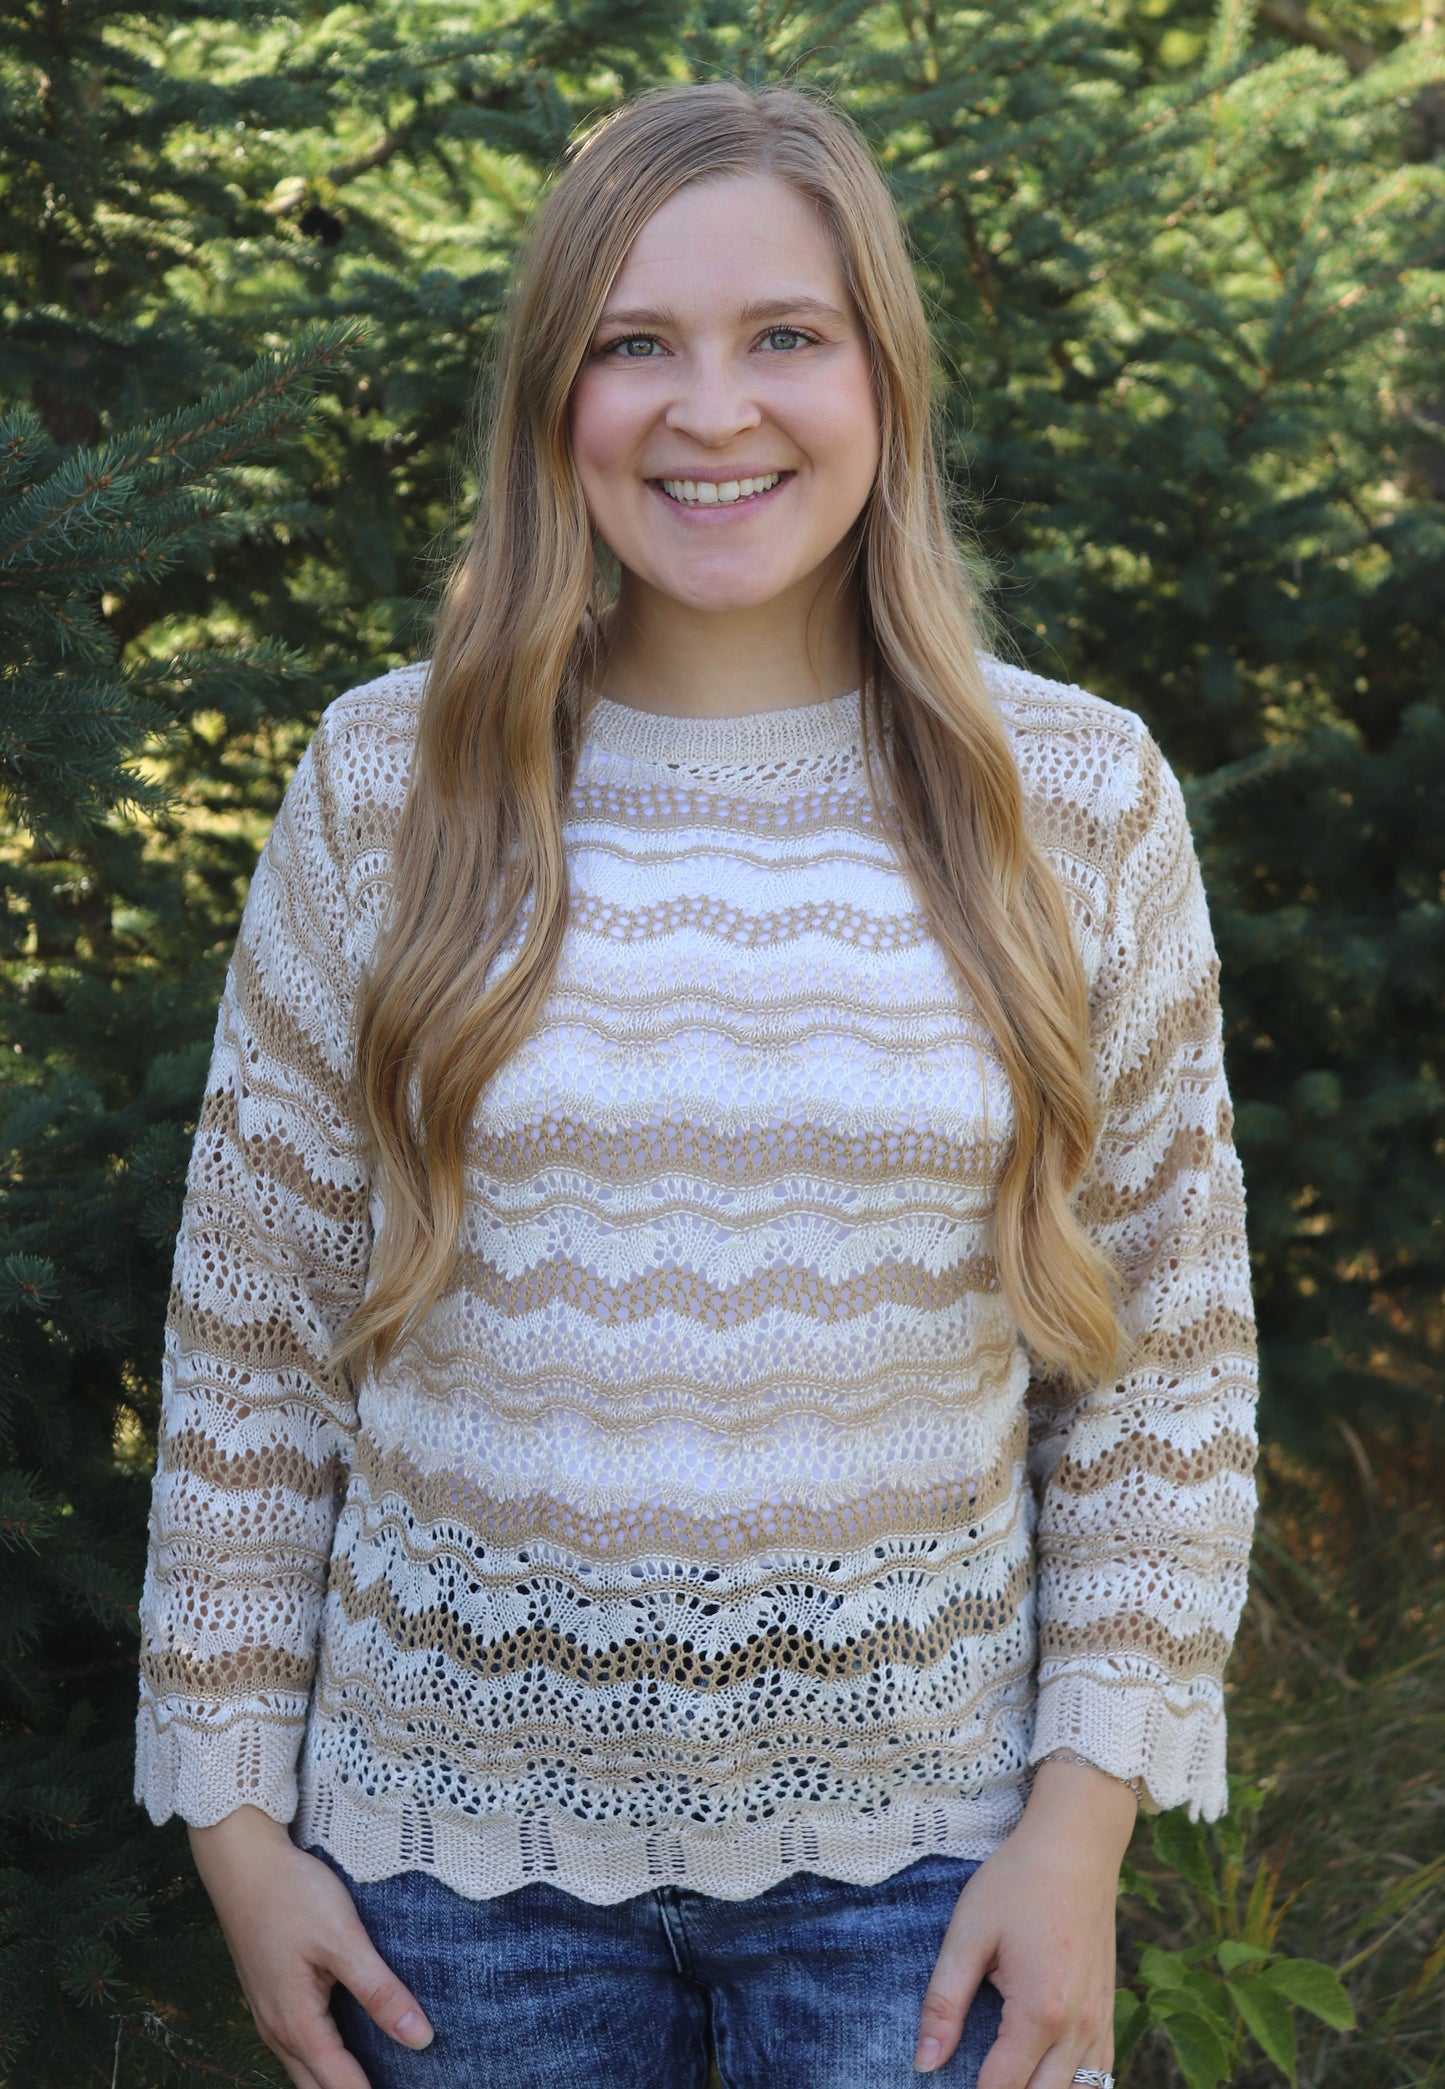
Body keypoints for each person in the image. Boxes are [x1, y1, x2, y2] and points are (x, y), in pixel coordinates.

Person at [133, 78, 1260, 2089]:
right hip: (441, 1884)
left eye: (784, 340)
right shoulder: (388, 787)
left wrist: (1081, 1828)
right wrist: (235, 1827)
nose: (709, 409)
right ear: (553, 401)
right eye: (634, 344)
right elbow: (251, 1345)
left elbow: (1164, 1365)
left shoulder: (1078, 799)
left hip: (929, 1866)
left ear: (883, 381)